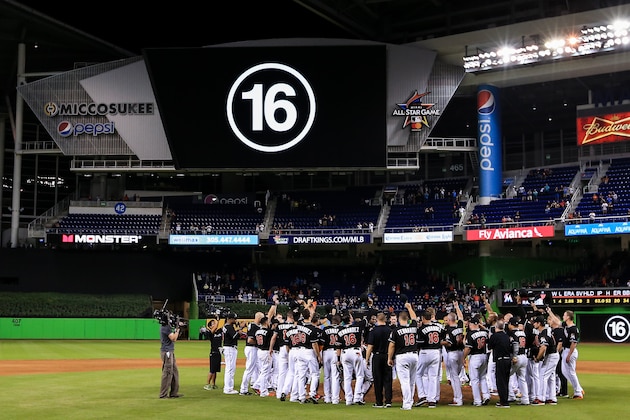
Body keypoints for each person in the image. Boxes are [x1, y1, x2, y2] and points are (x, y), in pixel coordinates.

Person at [387, 302, 418, 411]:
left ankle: (407, 404)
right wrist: (410, 308)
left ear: (399, 319)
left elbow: (391, 345)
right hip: (414, 356)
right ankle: (411, 401)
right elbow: (414, 318)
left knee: (404, 381)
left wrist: (389, 358)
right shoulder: (414, 327)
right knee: (412, 381)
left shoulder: (396, 331)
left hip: (402, 357)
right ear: (407, 319)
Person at [416, 309, 445, 408]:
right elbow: (443, 337)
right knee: (433, 377)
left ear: (423, 318)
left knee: (418, 374)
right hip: (437, 352)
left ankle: (422, 395)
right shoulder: (438, 327)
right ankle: (432, 400)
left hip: (425, 352)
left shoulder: (421, 329)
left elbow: (419, 343)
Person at [336, 311, 366, 406]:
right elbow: (365, 320)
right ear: (350, 319)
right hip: (355, 352)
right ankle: (357, 397)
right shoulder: (357, 327)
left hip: (345, 353)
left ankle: (348, 399)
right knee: (360, 375)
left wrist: (338, 359)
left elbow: (338, 347)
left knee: (347, 377)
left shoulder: (340, 331)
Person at [365, 311, 393, 408]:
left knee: (378, 380)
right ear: (385, 319)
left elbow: (370, 347)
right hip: (387, 356)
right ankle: (388, 401)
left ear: (377, 319)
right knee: (388, 379)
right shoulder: (390, 330)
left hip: (376, 356)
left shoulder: (373, 331)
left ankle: (379, 402)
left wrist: (366, 359)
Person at [463, 315, 490, 407]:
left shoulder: (470, 334)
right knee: (483, 377)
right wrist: (481, 326)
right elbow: (489, 332)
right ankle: (486, 396)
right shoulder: (484, 333)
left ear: (471, 324)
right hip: (484, 356)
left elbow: (468, 348)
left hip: (475, 357)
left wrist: (463, 358)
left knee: (474, 380)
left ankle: (477, 401)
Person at [532, 315, 559, 405]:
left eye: (535, 322)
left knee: (543, 375)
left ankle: (541, 398)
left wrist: (538, 358)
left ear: (539, 323)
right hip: (553, 354)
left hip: (551, 356)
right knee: (551, 377)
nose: (534, 324)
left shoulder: (543, 333)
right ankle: (552, 398)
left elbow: (543, 348)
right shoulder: (547, 330)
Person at [442, 307, 465, 407]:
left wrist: (440, 343)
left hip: (453, 354)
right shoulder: (459, 327)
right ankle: (457, 398)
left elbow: (449, 343)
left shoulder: (449, 330)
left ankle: (458, 399)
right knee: (457, 376)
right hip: (461, 353)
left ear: (450, 320)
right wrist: (456, 306)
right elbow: (461, 317)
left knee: (454, 377)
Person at [487, 319, 513, 408]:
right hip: (508, 360)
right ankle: (505, 400)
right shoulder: (507, 336)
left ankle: (504, 402)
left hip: (500, 360)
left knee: (500, 381)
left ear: (496, 327)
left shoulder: (495, 336)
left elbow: (490, 347)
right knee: (506, 381)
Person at [561, 310, 584, 399]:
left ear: (568, 317)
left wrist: (569, 355)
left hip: (570, 351)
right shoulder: (566, 326)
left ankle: (578, 392)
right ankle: (579, 388)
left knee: (571, 372)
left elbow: (574, 343)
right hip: (566, 350)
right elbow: (557, 321)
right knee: (564, 371)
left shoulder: (573, 328)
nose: (563, 316)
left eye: (564, 315)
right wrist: (549, 312)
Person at [239, 311, 264, 395]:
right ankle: (243, 389)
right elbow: (250, 340)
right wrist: (260, 343)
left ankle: (255, 385)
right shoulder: (253, 326)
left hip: (254, 349)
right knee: (249, 369)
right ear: (259, 318)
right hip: (251, 348)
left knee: (257, 368)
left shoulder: (257, 326)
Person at [506, 316, 529, 405]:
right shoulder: (522, 333)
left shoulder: (512, 334)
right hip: (524, 356)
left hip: (517, 357)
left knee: (505, 375)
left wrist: (514, 356)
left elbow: (514, 345)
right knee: (522, 378)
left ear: (511, 325)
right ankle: (525, 399)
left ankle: (510, 396)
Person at [322, 313, 342, 404]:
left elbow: (322, 343)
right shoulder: (341, 329)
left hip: (326, 352)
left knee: (326, 376)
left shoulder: (326, 329)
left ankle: (327, 397)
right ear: (339, 322)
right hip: (335, 352)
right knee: (335, 376)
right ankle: (335, 398)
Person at [159, 319, 182, 399]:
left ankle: (174, 392)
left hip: (170, 351)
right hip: (167, 352)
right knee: (168, 373)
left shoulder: (166, 327)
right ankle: (163, 394)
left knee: (174, 372)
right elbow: (173, 338)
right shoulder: (166, 328)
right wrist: (177, 330)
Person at [222, 313, 240, 395]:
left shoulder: (226, 326)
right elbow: (235, 336)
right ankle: (228, 388)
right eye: (234, 319)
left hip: (229, 348)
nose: (235, 320)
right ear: (230, 319)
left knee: (230, 369)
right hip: (230, 348)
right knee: (230, 369)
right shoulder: (229, 327)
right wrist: (240, 329)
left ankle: (229, 387)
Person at [204, 317, 223, 390]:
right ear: (210, 326)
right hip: (213, 353)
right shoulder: (210, 333)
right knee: (212, 370)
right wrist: (217, 320)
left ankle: (213, 384)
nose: (215, 324)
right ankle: (207, 384)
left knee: (215, 370)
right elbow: (214, 328)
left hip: (219, 353)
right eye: (213, 324)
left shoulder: (219, 332)